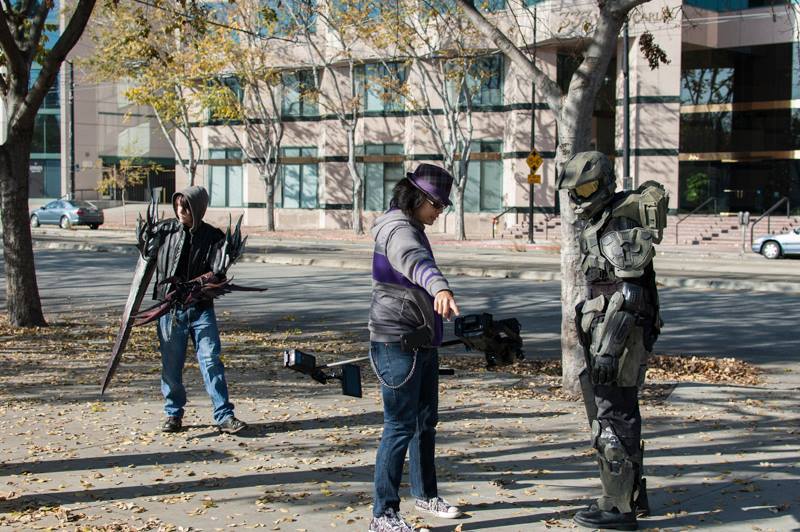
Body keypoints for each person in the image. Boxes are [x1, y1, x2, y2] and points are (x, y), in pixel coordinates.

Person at [557, 152, 667, 531]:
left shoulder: (618, 222)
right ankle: (631, 495)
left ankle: (618, 507)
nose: (580, 197)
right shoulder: (604, 219)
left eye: (587, 188)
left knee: (611, 417)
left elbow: (631, 294)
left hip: (619, 338)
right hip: (609, 334)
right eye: (575, 190)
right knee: (618, 411)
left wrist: (608, 350)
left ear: (605, 183)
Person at [368, 164, 464, 532]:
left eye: (443, 205)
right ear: (417, 197)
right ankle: (383, 514)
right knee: (399, 426)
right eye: (436, 204)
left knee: (425, 423)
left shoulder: (412, 226)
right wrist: (440, 287)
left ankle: (425, 494)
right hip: (396, 342)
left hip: (420, 339)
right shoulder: (398, 230)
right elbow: (415, 261)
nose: (440, 211)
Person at [145, 185, 247, 435]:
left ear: (198, 209)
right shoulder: (165, 232)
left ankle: (224, 415)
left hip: (201, 310)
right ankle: (173, 414)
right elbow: (146, 262)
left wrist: (203, 282)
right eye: (178, 205)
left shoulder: (213, 237)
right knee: (171, 366)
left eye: (186, 207)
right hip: (170, 311)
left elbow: (219, 272)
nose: (180, 211)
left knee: (211, 360)